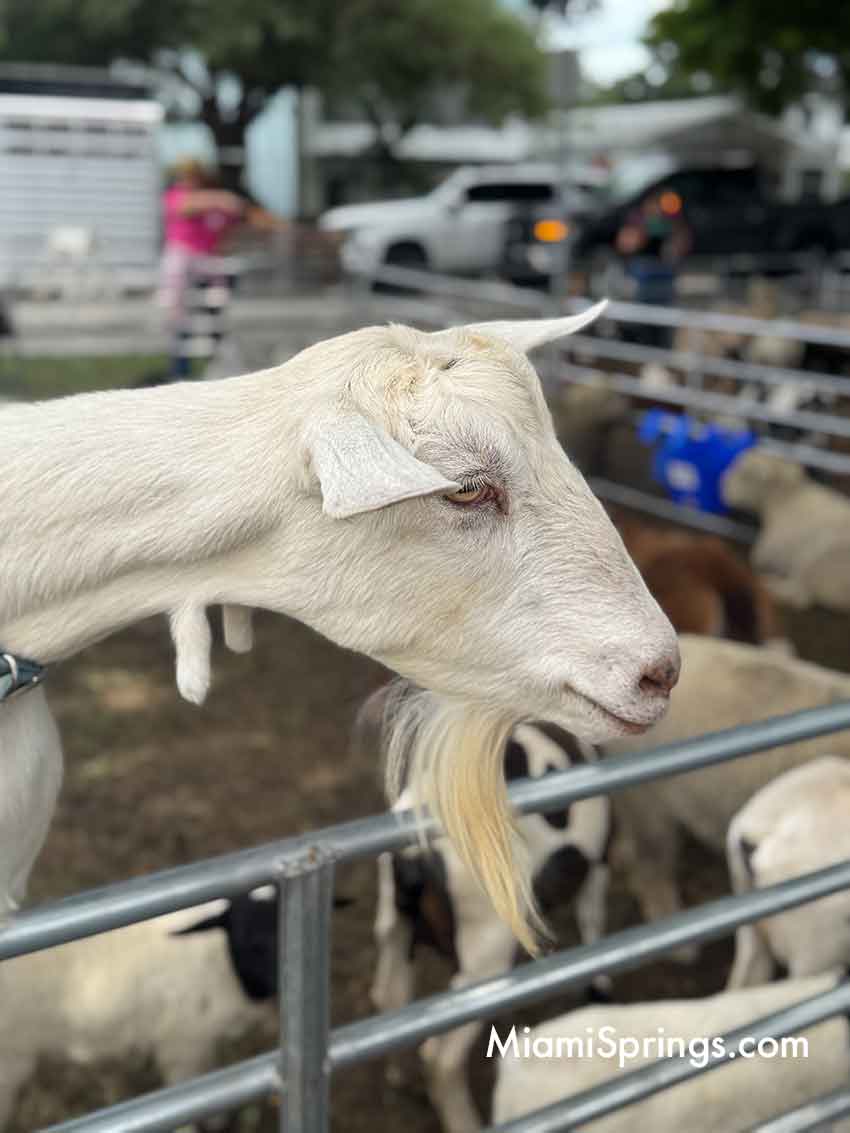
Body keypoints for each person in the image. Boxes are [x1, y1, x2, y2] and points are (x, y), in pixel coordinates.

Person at [157, 158, 285, 378]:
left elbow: (248, 217)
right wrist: (226, 199)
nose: (189, 180)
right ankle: (179, 371)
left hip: (207, 266)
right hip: (185, 265)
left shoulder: (216, 205)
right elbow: (187, 206)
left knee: (214, 321)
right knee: (181, 321)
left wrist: (278, 224)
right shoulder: (178, 196)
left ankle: (219, 367)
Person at [615, 191, 691, 349]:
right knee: (642, 332)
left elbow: (682, 244)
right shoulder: (636, 220)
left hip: (664, 287)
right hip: (642, 287)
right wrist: (642, 234)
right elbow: (625, 244)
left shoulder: (672, 222)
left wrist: (673, 241)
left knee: (662, 333)